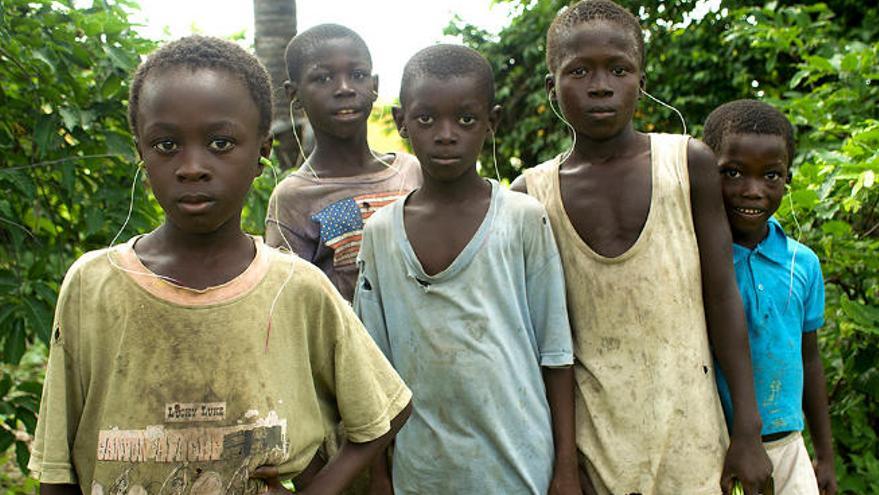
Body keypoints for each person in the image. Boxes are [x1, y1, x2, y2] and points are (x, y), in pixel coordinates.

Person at [28, 35, 411, 495]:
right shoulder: (93, 285)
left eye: (220, 142)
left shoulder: (295, 287)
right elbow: (56, 467)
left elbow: (385, 410)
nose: (192, 167)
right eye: (166, 144)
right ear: (141, 153)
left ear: (262, 153)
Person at [510, 1, 773, 493]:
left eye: (619, 69)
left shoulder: (686, 164)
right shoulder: (531, 196)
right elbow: (538, 341)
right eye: (579, 71)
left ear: (642, 80)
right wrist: (563, 462)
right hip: (594, 448)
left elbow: (722, 297)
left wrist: (747, 430)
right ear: (552, 87)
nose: (600, 85)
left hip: (692, 437)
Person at [353, 44, 580, 495]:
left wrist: (566, 469)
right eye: (426, 119)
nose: (446, 134)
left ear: (491, 122)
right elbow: (372, 370)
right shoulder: (380, 233)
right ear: (400, 122)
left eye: (466, 119)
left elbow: (555, 353)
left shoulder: (521, 219)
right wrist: (378, 475)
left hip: (520, 467)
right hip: (423, 475)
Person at [704, 99, 837, 495]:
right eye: (732, 172)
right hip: (715, 448)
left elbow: (809, 359)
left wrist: (825, 455)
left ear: (787, 178)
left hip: (788, 446)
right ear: (705, 171)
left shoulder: (802, 264)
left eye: (772, 176)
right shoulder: (696, 260)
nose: (753, 191)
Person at [265, 24, 421, 303]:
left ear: (374, 86)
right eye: (323, 78)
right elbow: (290, 299)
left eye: (358, 75)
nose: (345, 88)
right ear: (294, 94)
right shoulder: (293, 198)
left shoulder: (410, 172)